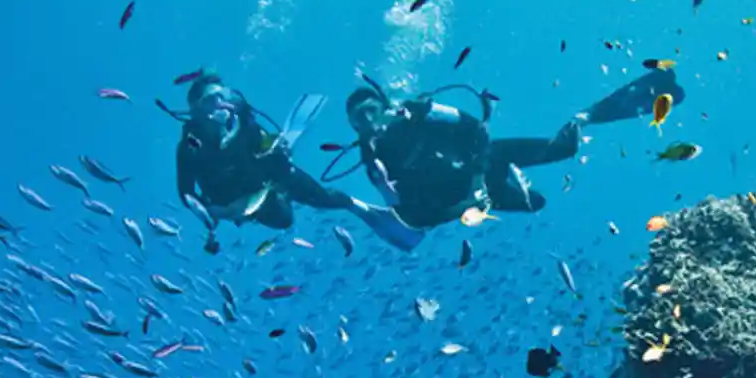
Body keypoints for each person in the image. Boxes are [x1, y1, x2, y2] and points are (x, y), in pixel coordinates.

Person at [172, 72, 417, 252]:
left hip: (269, 177)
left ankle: (359, 208)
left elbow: (265, 144)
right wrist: (216, 212)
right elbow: (186, 193)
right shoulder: (189, 148)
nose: (219, 105)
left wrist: (279, 146)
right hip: (234, 201)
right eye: (209, 101)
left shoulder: (244, 124)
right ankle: (280, 199)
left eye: (221, 97)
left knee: (322, 198)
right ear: (195, 110)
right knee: (284, 220)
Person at [341, 78, 582, 232]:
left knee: (562, 149)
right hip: (459, 197)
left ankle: (577, 128)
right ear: (354, 127)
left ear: (385, 106)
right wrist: (458, 207)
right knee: (535, 203)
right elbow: (404, 211)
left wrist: (478, 171)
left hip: (481, 161)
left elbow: (476, 128)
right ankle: (501, 182)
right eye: (359, 119)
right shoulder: (373, 161)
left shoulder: (417, 112)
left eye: (371, 111)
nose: (369, 122)